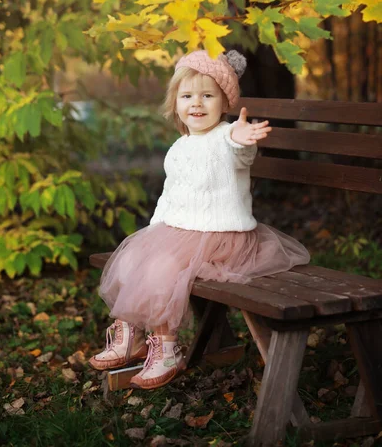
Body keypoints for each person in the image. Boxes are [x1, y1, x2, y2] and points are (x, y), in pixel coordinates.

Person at [89, 49, 310, 389]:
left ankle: (166, 348)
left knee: (162, 267)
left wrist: (242, 138)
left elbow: (241, 150)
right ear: (175, 102)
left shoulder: (225, 136)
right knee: (135, 257)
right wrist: (153, 233)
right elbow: (170, 195)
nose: (197, 103)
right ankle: (130, 334)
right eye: (187, 95)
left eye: (208, 96)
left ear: (224, 104)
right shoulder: (179, 146)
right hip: (180, 231)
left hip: (224, 237)